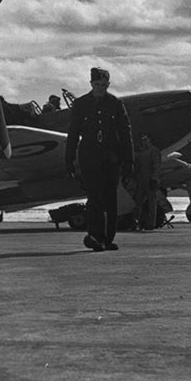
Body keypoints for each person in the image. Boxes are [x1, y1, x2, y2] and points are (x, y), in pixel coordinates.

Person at [65, 66, 134, 252]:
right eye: (97, 84)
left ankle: (108, 239)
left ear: (108, 84)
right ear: (91, 84)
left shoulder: (115, 104)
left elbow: (125, 133)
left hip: (112, 158)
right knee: (94, 196)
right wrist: (69, 159)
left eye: (104, 85)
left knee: (110, 197)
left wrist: (129, 161)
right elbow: (73, 133)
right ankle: (95, 236)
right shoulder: (80, 104)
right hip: (89, 157)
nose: (100, 88)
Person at [131, 133, 162, 230]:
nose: (143, 141)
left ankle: (151, 223)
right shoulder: (141, 152)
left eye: (145, 139)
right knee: (137, 202)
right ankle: (136, 221)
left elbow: (156, 166)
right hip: (140, 180)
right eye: (142, 140)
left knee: (151, 202)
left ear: (149, 140)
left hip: (150, 180)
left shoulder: (154, 151)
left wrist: (154, 178)